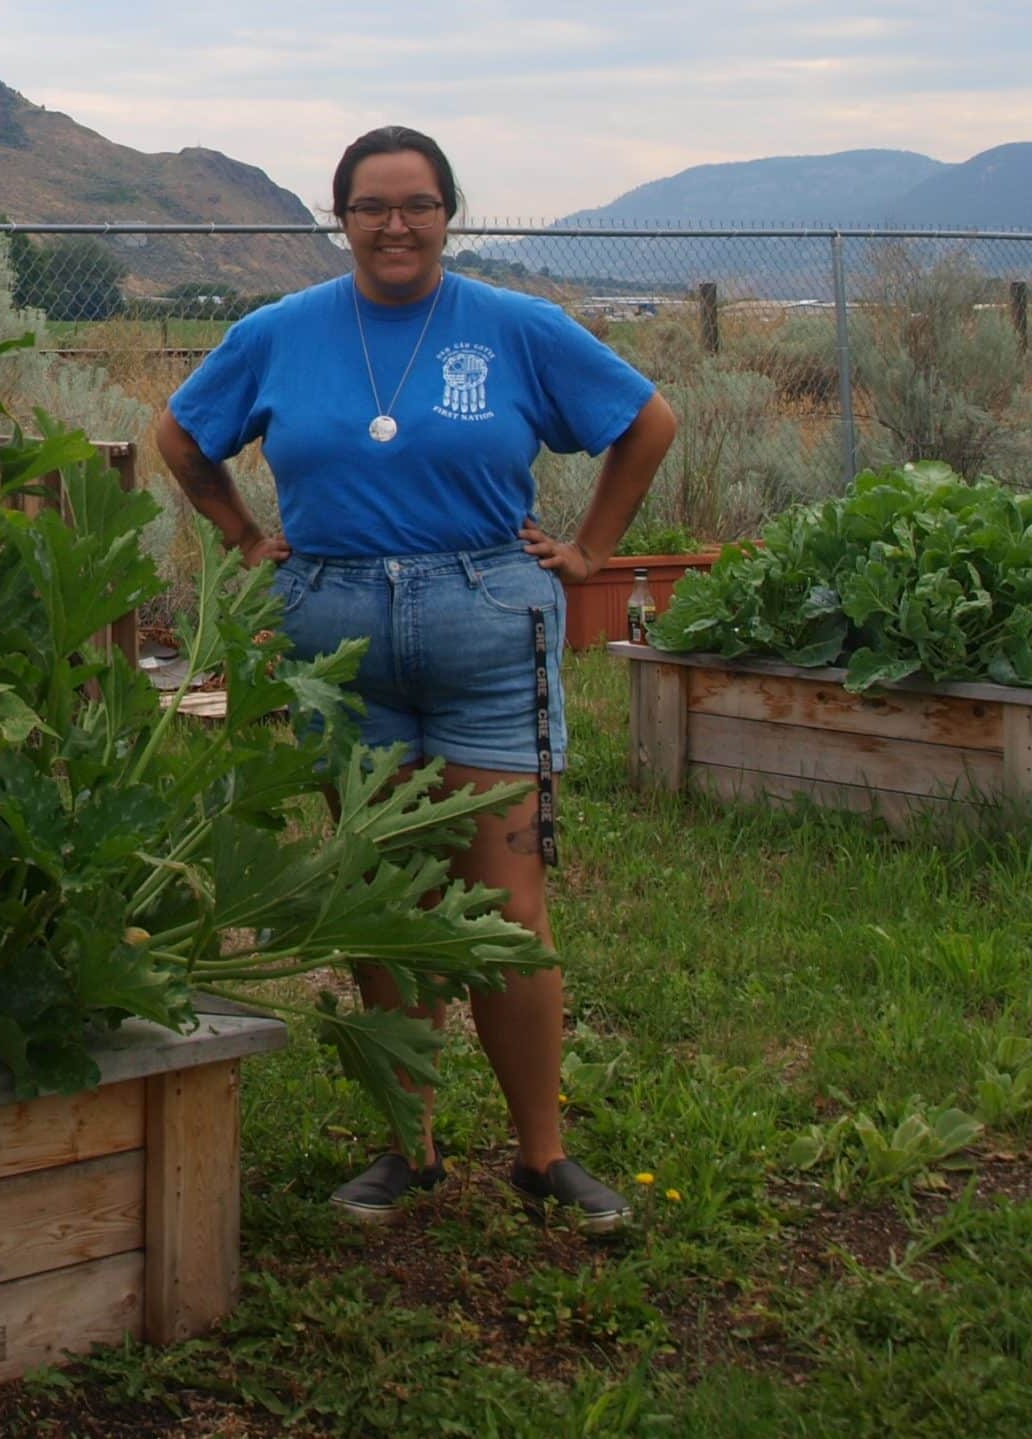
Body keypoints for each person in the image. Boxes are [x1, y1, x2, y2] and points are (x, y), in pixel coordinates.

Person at [156, 126, 677, 1233]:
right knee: (385, 897)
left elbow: (645, 421)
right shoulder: (278, 333)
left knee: (506, 908)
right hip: (336, 636)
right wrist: (247, 538)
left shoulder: (514, 326)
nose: (396, 224)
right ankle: (411, 1147)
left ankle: (542, 1154)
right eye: (371, 206)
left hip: (484, 621)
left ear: (450, 213)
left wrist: (588, 550)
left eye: (419, 203)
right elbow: (180, 436)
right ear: (338, 217)